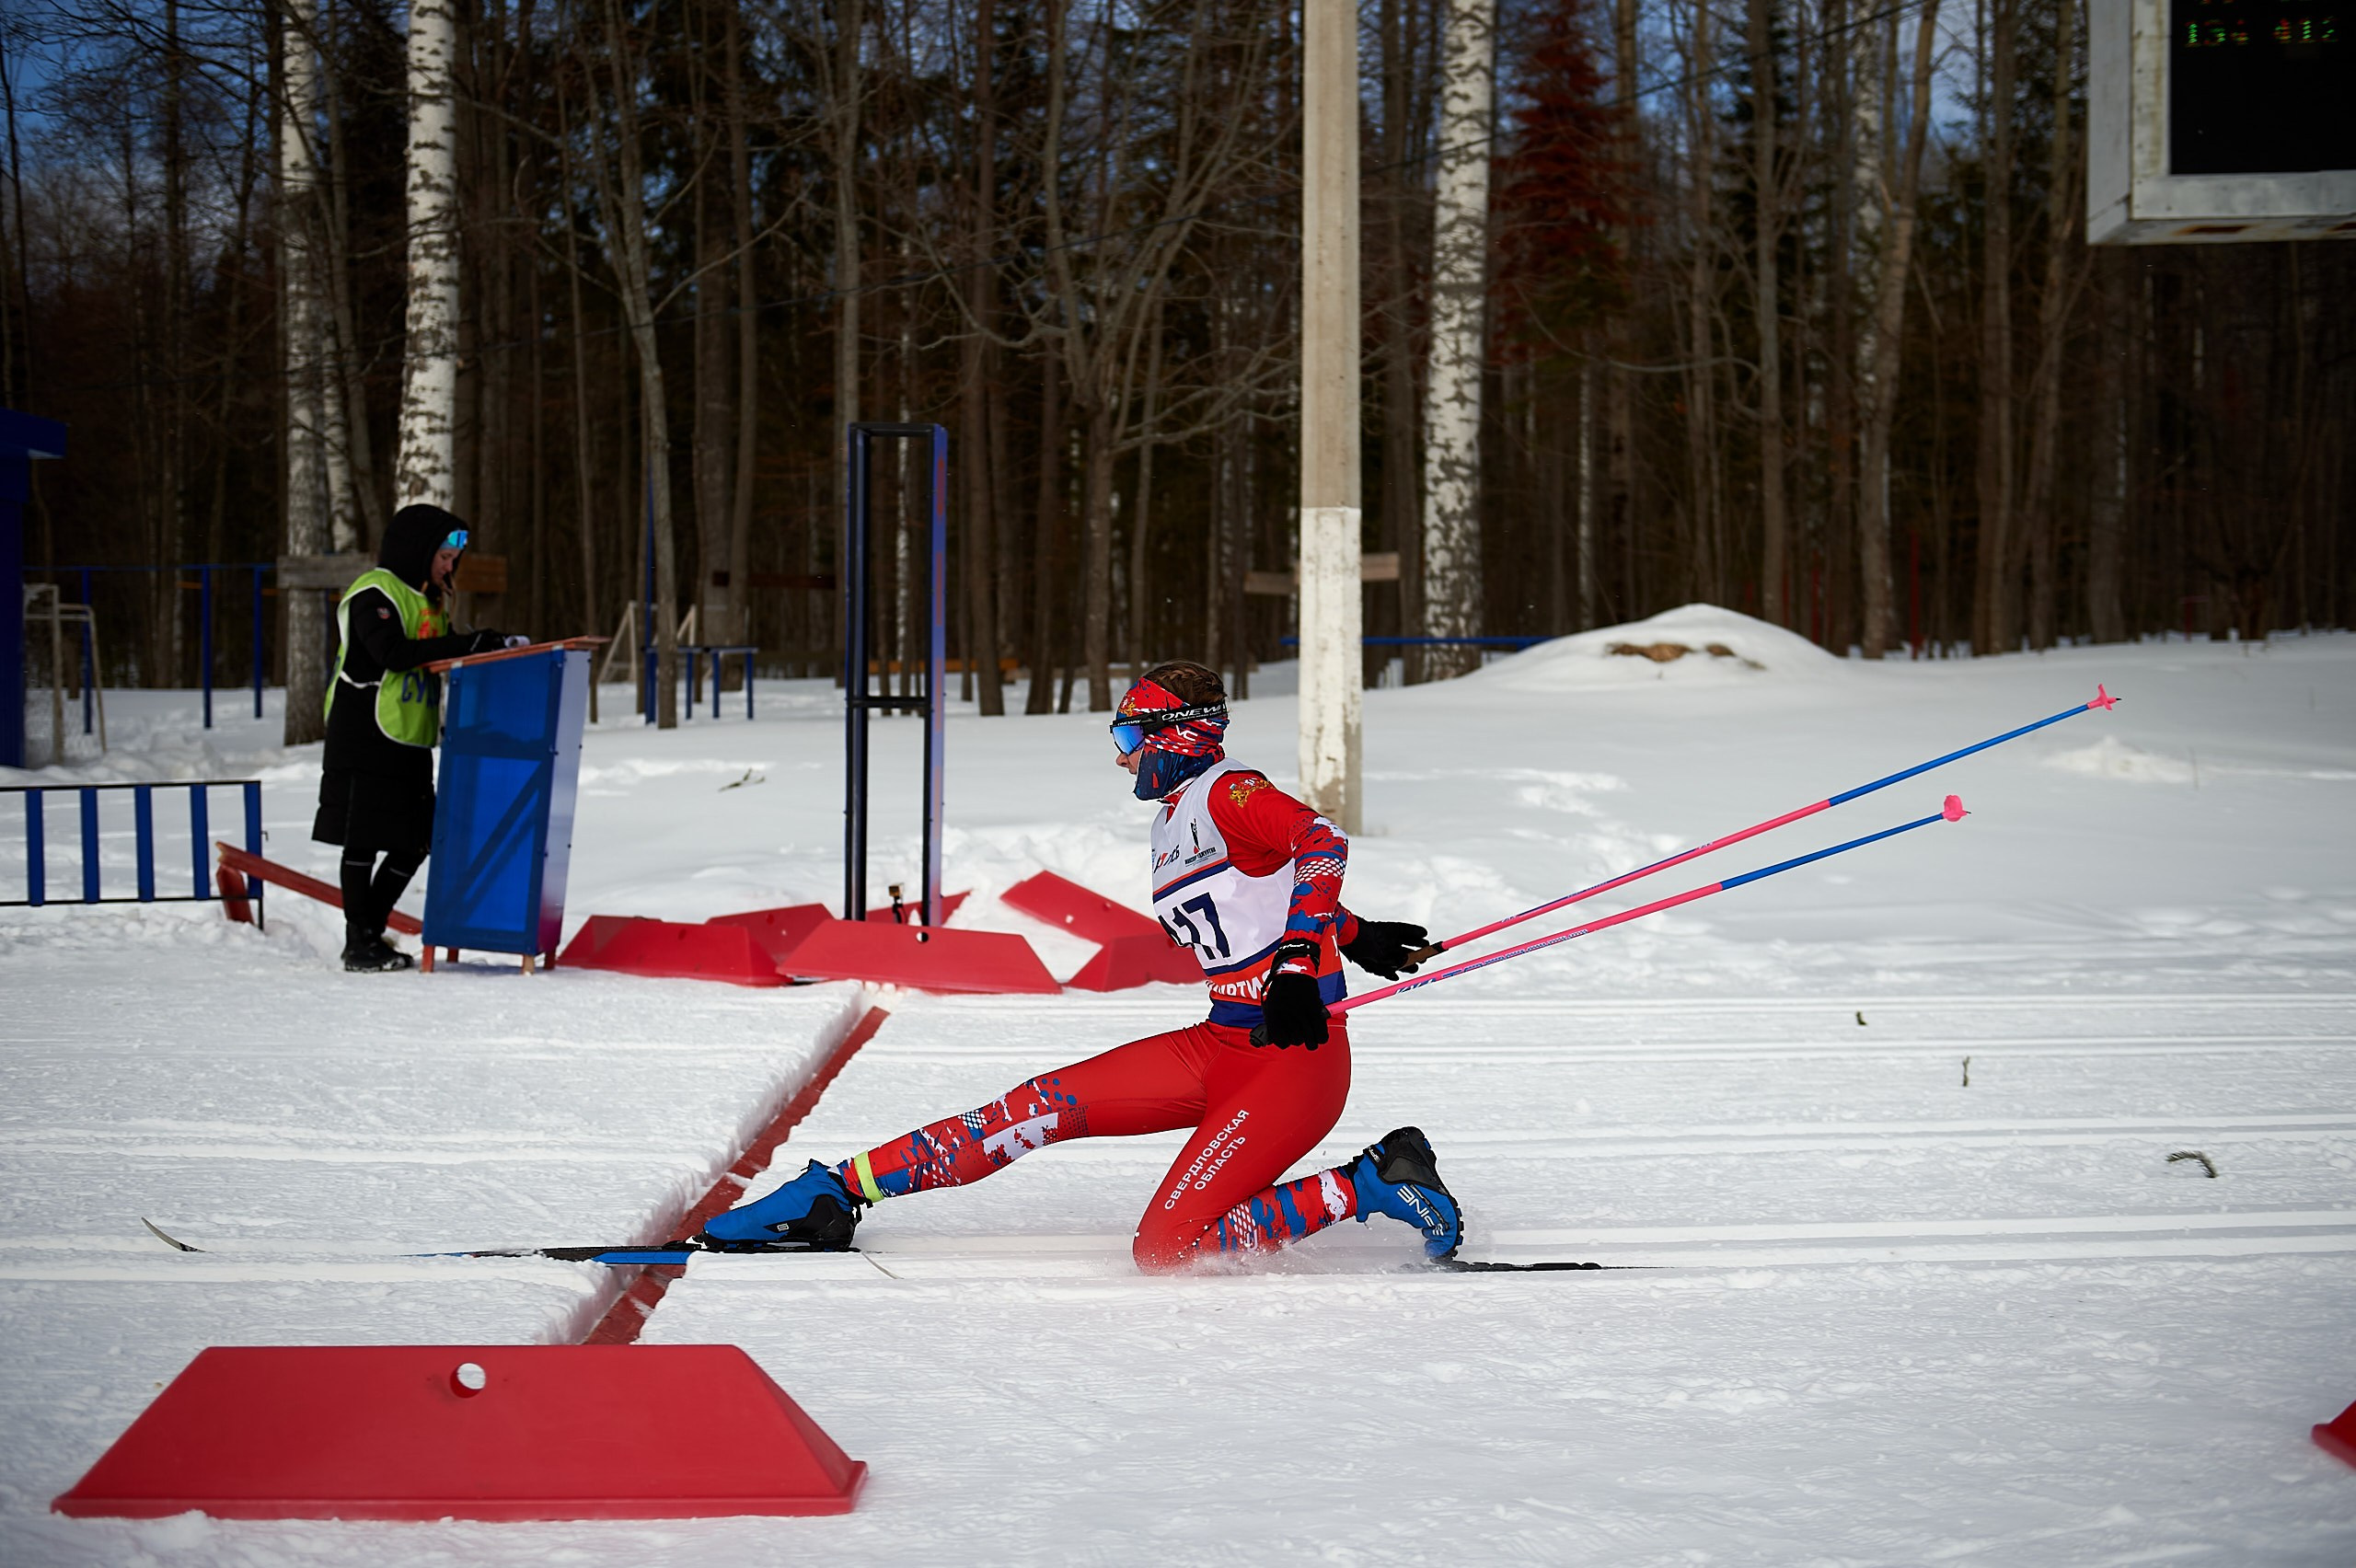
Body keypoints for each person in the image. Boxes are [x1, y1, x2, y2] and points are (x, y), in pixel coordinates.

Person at [700, 659, 1465, 1271]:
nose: (1123, 758)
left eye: (1131, 740)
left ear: (1176, 738)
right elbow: (1259, 894)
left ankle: (1373, 1182)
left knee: (1169, 1250)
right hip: (1222, 1044)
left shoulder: (1231, 792)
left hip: (1293, 1063)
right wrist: (1355, 933)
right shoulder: (1177, 815)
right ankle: (838, 1193)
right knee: (1035, 1107)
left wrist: (1304, 962)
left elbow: (1320, 842)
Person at [313, 503, 509, 973]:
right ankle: (359, 941)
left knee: (416, 840)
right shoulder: (374, 592)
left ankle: (368, 931)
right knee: (362, 840)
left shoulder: (429, 601)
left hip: (409, 736)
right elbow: (394, 653)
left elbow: (435, 653)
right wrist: (467, 643)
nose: (448, 566)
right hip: (364, 731)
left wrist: (486, 648)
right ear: (417, 550)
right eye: (443, 556)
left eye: (451, 559)